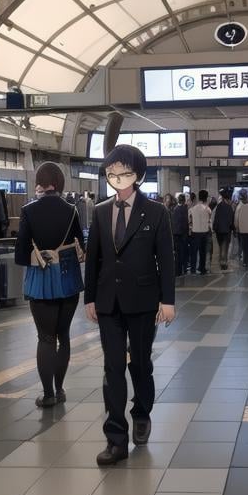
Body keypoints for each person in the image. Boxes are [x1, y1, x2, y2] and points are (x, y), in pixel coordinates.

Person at [84, 145, 176, 466]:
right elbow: (93, 258)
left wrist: (167, 301)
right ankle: (115, 438)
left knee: (139, 363)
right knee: (112, 368)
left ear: (137, 175)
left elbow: (165, 258)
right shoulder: (99, 211)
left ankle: (141, 411)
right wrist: (90, 297)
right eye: (111, 174)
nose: (117, 179)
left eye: (124, 173)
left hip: (143, 301)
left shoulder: (155, 212)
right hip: (109, 300)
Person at [15, 162, 85, 408]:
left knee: (45, 337)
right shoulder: (72, 211)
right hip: (68, 279)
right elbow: (81, 247)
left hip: (41, 281)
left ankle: (47, 395)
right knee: (63, 336)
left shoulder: (28, 211)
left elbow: (20, 254)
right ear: (59, 183)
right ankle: (60, 388)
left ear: (40, 183)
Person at [189, 189, 212, 275]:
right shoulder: (208, 209)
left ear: (199, 197)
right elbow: (210, 221)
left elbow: (189, 221)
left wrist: (191, 228)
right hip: (204, 233)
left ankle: (193, 270)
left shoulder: (192, 209)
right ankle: (202, 269)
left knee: (193, 252)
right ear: (206, 198)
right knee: (203, 252)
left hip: (195, 233)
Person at [213, 189, 235, 272]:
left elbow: (216, 218)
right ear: (228, 199)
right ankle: (224, 263)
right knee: (224, 248)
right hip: (226, 230)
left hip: (219, 230)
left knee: (220, 246)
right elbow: (231, 220)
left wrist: (215, 228)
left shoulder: (219, 206)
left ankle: (221, 262)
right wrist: (233, 229)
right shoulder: (229, 208)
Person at [172, 193, 189, 276]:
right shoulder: (185, 209)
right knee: (184, 252)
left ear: (178, 200)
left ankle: (178, 271)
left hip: (176, 234)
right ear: (184, 200)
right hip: (183, 234)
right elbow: (186, 222)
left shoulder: (175, 209)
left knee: (177, 253)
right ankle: (184, 269)